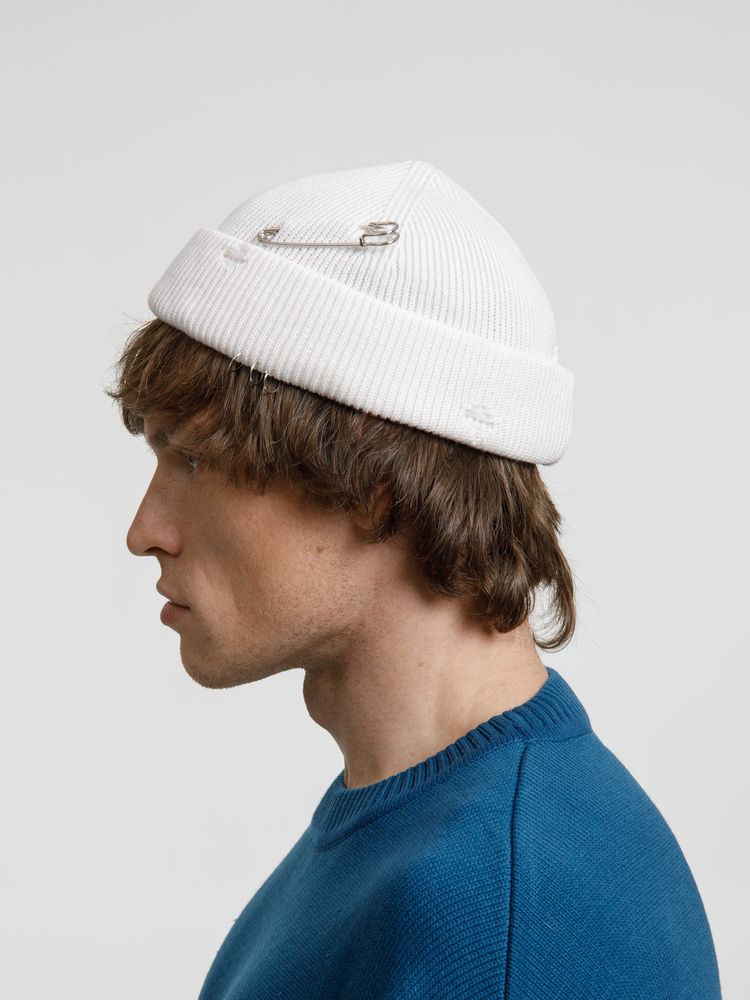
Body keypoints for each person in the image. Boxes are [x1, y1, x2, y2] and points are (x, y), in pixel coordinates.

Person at [106, 159, 722, 999]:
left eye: (193, 461)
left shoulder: (504, 915)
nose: (146, 532)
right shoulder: (413, 834)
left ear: (375, 485)